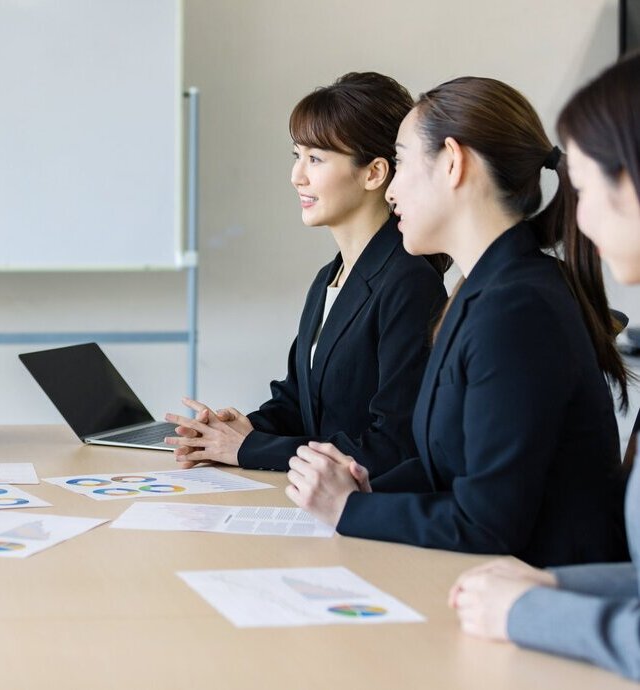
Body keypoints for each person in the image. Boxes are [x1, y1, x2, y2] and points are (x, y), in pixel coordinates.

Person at [285, 75, 630, 567]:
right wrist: (364, 487)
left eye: (401, 162)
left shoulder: (517, 307)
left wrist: (351, 508)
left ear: (453, 162)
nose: (393, 188)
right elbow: (447, 469)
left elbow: (489, 520)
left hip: (534, 592)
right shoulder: (482, 289)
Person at [450, 53, 640, 681]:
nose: (576, 218)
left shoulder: (518, 298)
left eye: (586, 191)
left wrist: (528, 610)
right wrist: (553, 583)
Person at [164, 72, 447, 478]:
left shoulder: (408, 283)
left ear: (374, 173)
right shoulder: (329, 278)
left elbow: (392, 445)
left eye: (315, 159)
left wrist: (249, 449)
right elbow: (298, 402)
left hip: (362, 514)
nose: (297, 176)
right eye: (296, 156)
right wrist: (242, 430)